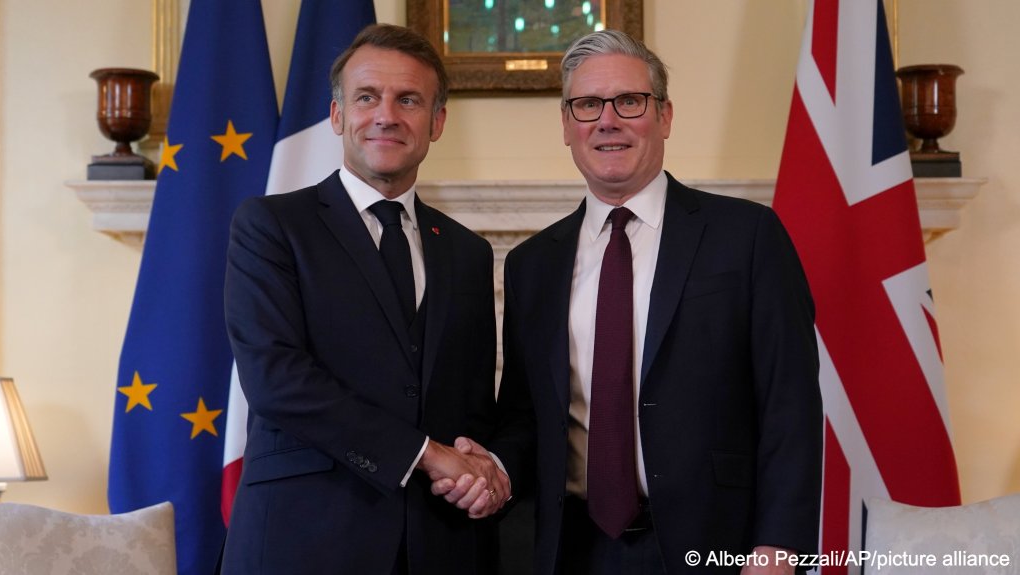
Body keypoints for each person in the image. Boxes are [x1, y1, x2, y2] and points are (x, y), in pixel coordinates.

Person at [483, 30, 823, 575]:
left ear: (663, 116)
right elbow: (527, 413)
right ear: (567, 126)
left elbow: (791, 405)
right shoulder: (532, 264)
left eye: (630, 101)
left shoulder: (748, 236)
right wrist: (492, 465)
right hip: (572, 549)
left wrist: (780, 549)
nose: (607, 120)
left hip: (716, 546)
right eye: (587, 104)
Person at [221, 24, 509, 575]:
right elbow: (276, 379)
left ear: (437, 122)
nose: (386, 115)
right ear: (337, 116)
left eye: (409, 100)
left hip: (439, 545)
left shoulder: (468, 253)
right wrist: (427, 455)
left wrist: (485, 471)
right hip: (301, 542)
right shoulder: (272, 226)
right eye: (367, 97)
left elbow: (473, 405)